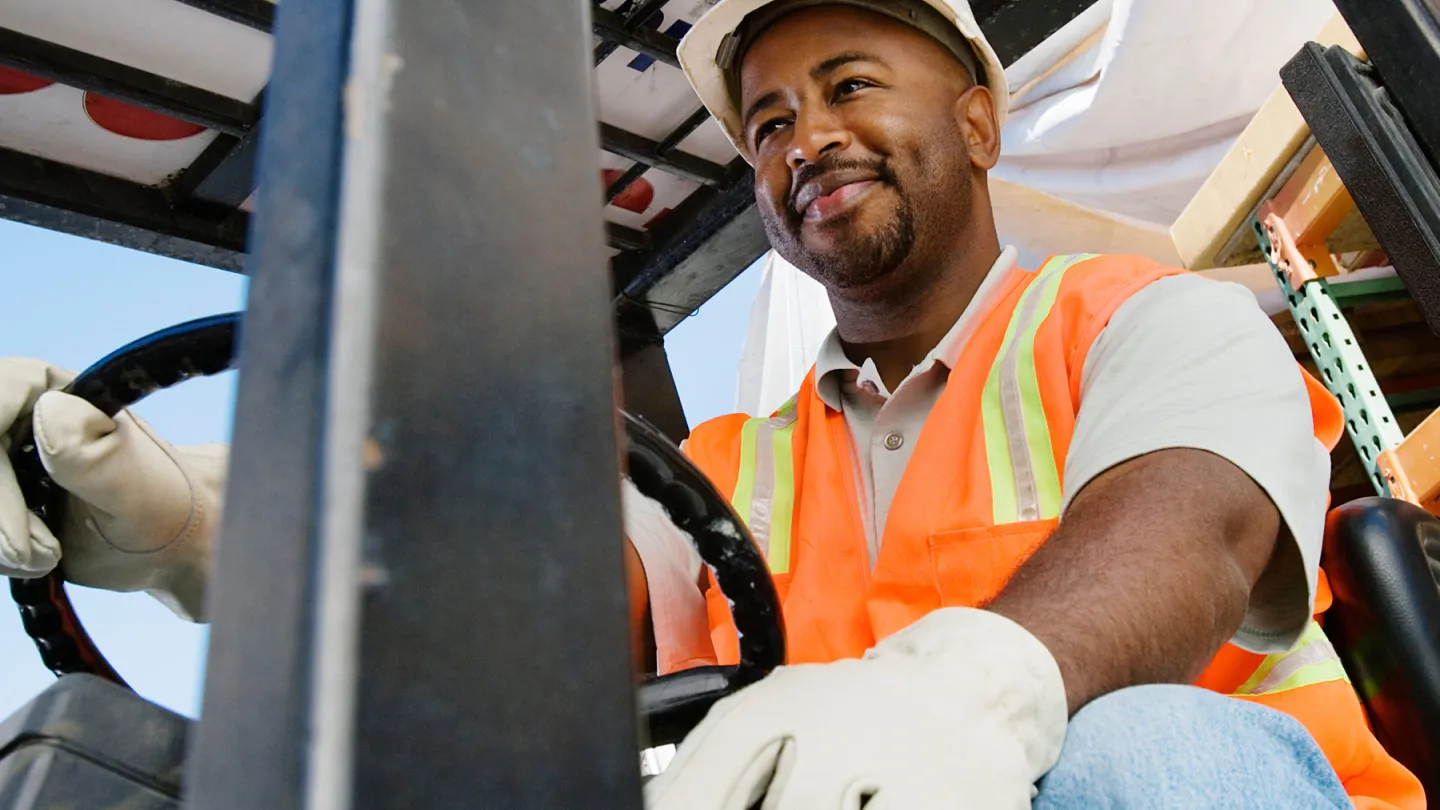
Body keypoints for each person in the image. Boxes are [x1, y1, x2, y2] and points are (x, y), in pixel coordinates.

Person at [0, 1, 1423, 807]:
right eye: (769, 123)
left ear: (979, 122)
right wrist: (196, 526)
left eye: (849, 84)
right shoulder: (717, 468)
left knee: (1141, 752)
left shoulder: (1139, 315)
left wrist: (977, 693)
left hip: (1180, 792)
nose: (807, 139)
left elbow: (1197, 519)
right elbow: (511, 594)